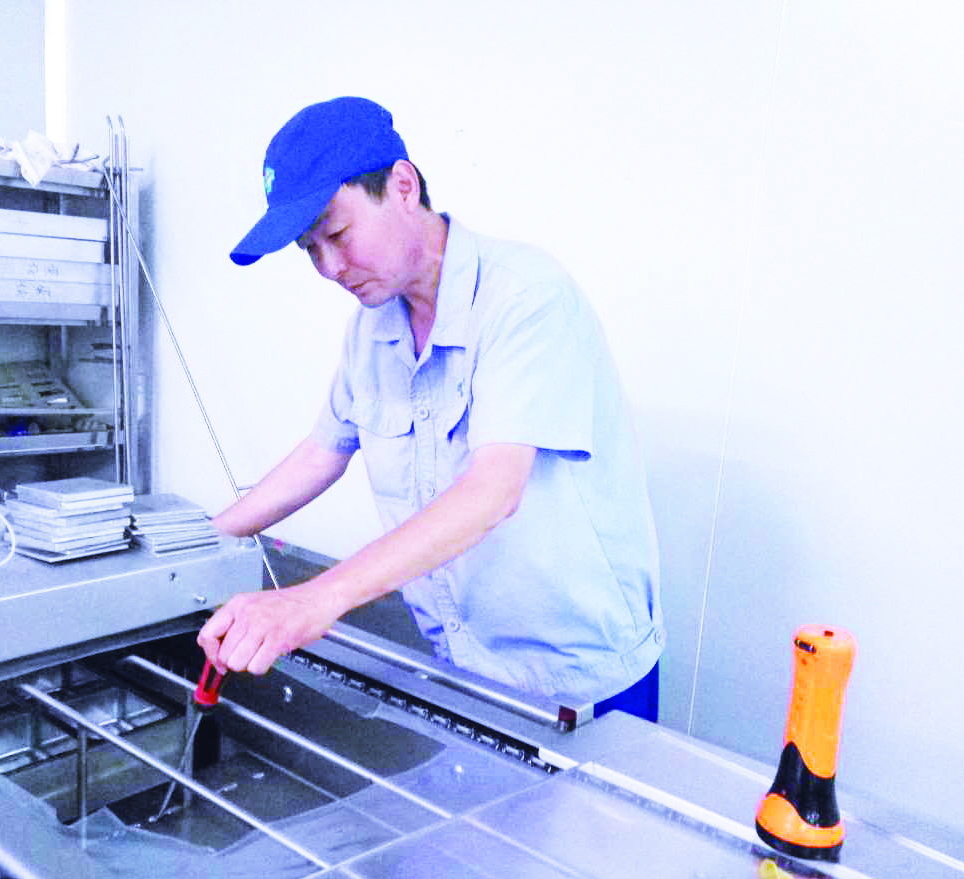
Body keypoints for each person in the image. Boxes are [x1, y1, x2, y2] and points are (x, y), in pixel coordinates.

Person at [199, 96, 664, 720]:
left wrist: (312, 603)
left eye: (337, 234)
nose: (331, 268)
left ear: (403, 186)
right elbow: (319, 455)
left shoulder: (525, 299)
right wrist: (196, 545)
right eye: (310, 250)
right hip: (464, 669)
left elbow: (493, 492)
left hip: (580, 684)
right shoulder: (372, 329)